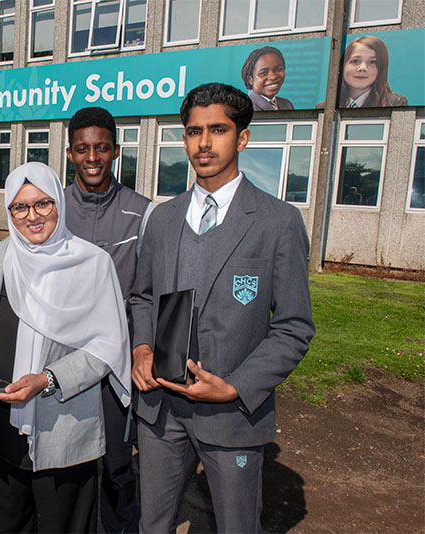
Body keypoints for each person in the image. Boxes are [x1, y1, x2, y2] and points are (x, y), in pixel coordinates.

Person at [130, 83, 315, 533]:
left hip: (231, 416)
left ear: (243, 137)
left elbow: (293, 326)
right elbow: (142, 297)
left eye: (218, 130)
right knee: (150, 523)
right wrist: (140, 350)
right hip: (160, 409)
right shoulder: (164, 217)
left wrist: (234, 387)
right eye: (194, 131)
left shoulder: (277, 222)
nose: (204, 143)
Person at [0, 161, 132, 533]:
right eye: (20, 207)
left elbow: (108, 344)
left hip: (65, 428)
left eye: (43, 203)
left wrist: (48, 379)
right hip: (1, 427)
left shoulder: (92, 264)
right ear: (9, 210)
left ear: (60, 202)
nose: (33, 216)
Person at [64, 106, 153, 533]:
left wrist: (141, 347)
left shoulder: (142, 212)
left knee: (118, 468)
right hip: (62, 361)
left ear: (116, 151)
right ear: (69, 154)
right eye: (83, 149)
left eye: (101, 147)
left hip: (117, 367)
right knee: (69, 466)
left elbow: (146, 292)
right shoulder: (51, 208)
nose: (92, 157)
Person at [338, 35, 408, 108]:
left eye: (372, 62)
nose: (363, 68)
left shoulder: (395, 103)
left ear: (381, 68)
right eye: (355, 61)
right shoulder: (327, 105)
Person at [241, 47, 294, 111]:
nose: (273, 77)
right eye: (264, 73)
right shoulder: (246, 108)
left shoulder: (286, 104)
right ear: (250, 79)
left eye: (278, 69)